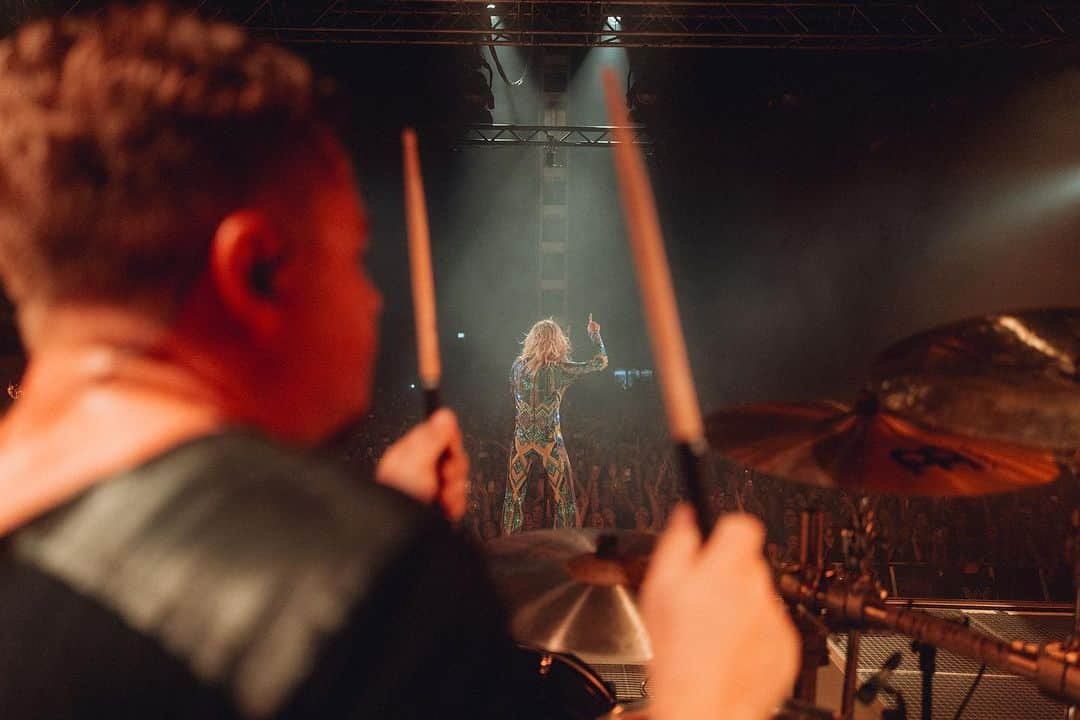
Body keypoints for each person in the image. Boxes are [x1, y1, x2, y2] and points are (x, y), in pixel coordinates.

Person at [0, 4, 798, 718]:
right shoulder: (367, 587)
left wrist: (363, 516)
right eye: (355, 256)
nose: (376, 300)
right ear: (253, 268)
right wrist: (709, 697)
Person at [503, 316, 607, 533]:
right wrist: (594, 335)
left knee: (513, 496)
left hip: (521, 440)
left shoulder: (516, 367)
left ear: (532, 340)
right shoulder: (560, 369)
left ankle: (507, 546)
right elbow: (600, 362)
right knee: (564, 498)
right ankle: (566, 546)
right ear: (557, 341)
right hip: (550, 439)